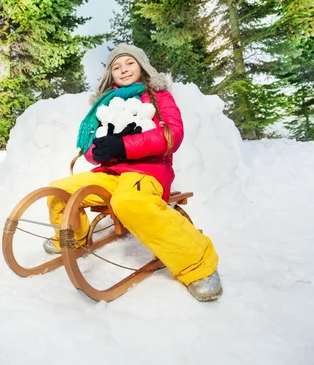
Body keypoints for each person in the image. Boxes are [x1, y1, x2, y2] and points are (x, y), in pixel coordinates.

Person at [44, 43, 222, 301]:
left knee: (128, 202)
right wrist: (101, 151)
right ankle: (73, 237)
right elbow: (91, 147)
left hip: (147, 171)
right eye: (116, 66)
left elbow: (172, 134)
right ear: (110, 74)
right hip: (111, 172)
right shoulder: (105, 105)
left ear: (142, 66)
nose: (123, 70)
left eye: (129, 63)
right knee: (58, 190)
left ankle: (199, 265)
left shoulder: (158, 97)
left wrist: (124, 145)